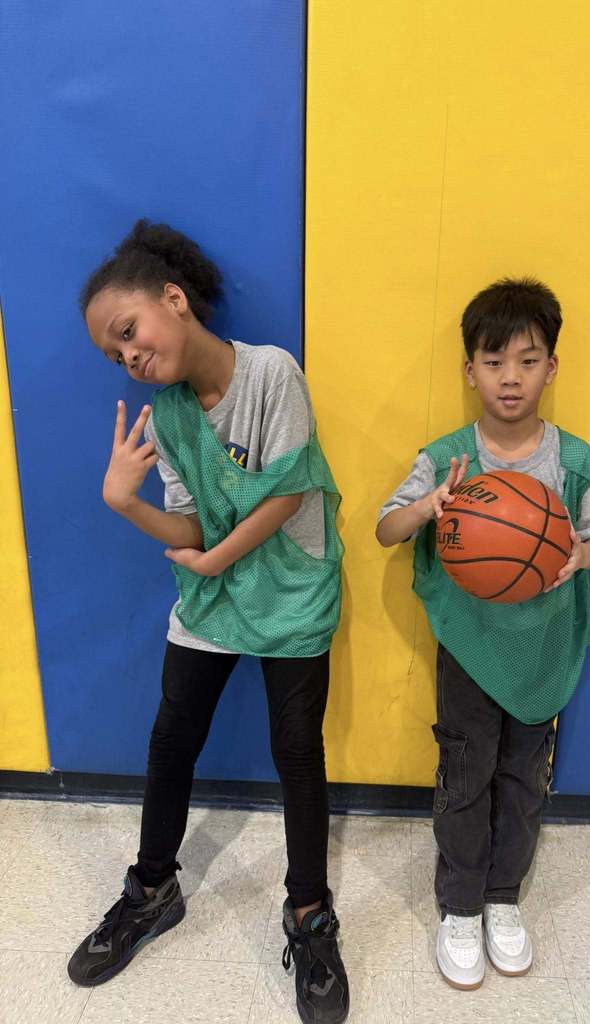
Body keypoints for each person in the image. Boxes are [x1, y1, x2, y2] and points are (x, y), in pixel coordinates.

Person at [68, 219, 349, 1024]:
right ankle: (153, 889)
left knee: (296, 749)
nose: (127, 356)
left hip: (292, 591)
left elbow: (288, 493)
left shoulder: (271, 372)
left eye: (129, 331)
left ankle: (309, 913)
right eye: (113, 353)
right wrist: (124, 504)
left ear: (174, 299)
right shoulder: (166, 419)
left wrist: (215, 558)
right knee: (171, 737)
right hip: (215, 596)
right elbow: (189, 525)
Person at [376, 277, 590, 990]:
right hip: (470, 649)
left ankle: (503, 897)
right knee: (466, 774)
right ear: (469, 371)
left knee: (523, 778)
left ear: (552, 367)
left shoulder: (574, 464)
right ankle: (459, 905)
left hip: (542, 648)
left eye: (528, 360)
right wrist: (428, 507)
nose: (511, 377)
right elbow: (386, 529)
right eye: (493, 361)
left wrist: (578, 555)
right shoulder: (447, 459)